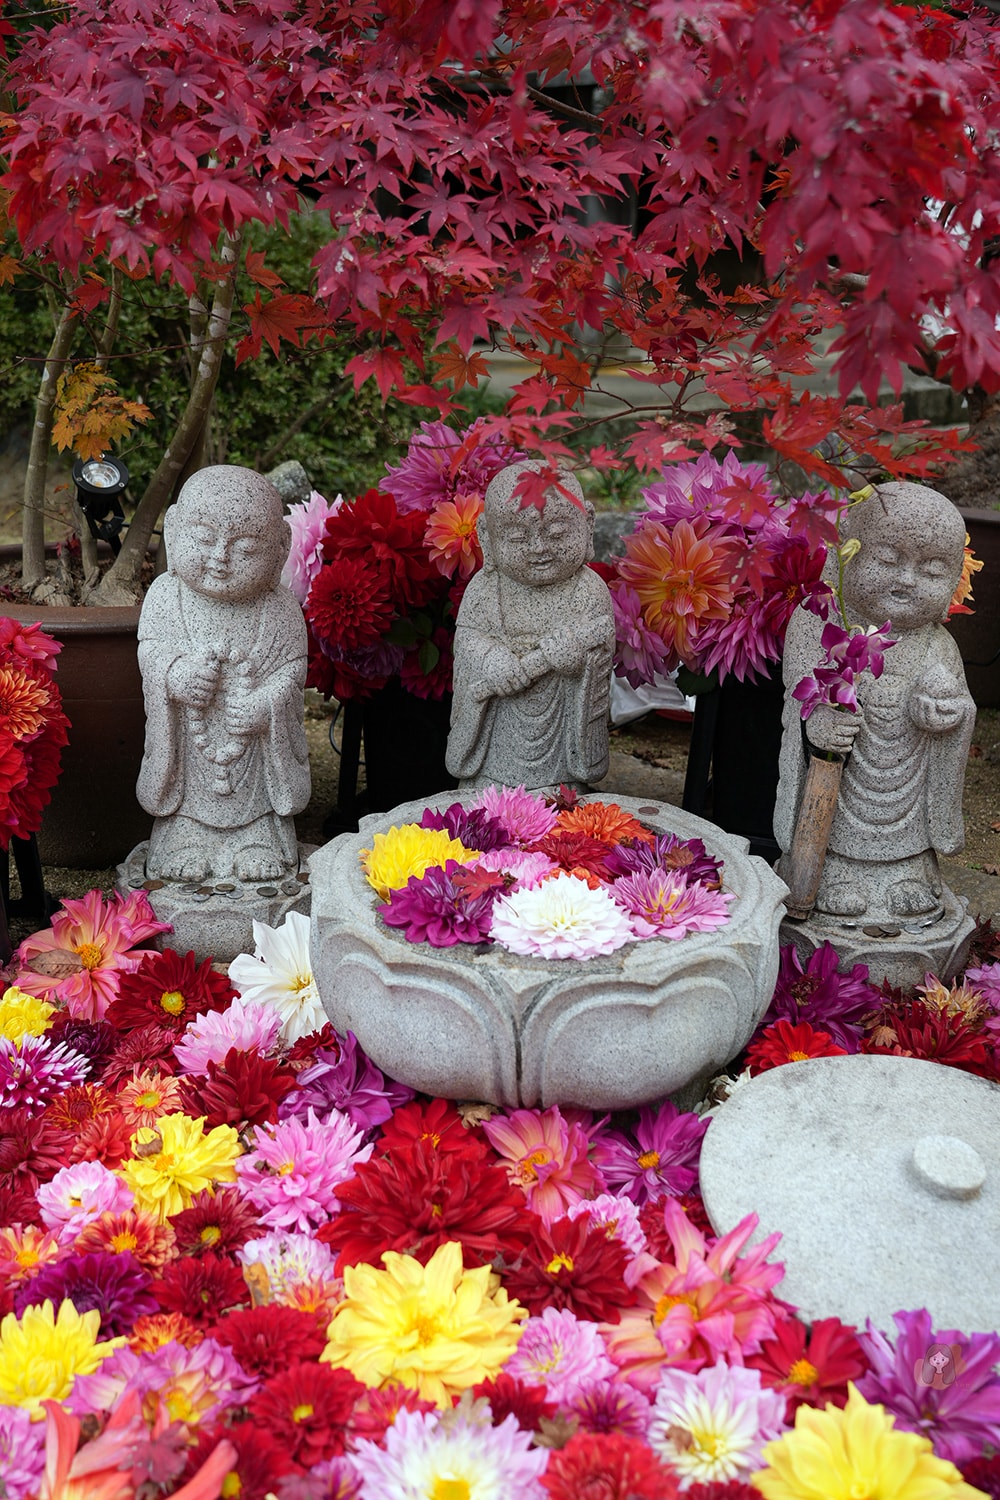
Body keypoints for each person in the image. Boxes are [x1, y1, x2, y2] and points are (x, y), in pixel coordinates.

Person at [775, 482, 976, 924]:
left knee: (907, 840)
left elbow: (958, 706)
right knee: (833, 822)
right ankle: (832, 872)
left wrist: (946, 714)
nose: (907, 580)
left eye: (932, 570)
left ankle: (908, 872)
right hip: (838, 782)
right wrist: (818, 721)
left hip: (906, 788)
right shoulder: (817, 620)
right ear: (842, 558)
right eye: (887, 559)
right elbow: (799, 690)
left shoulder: (936, 645)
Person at [137, 465, 310, 883]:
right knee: (187, 804)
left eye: (246, 548)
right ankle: (186, 837)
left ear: (279, 550)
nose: (220, 558)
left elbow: (292, 671)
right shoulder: (165, 596)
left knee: (257, 806)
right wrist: (174, 674)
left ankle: (257, 839)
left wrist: (266, 706)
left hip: (254, 752)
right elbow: (151, 652)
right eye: (203, 538)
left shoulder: (280, 609)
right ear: (174, 531)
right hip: (189, 751)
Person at [446, 461, 615, 790]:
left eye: (557, 533)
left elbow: (600, 650)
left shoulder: (588, 590)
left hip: (562, 756)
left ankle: (563, 791)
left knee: (565, 802)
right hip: (494, 752)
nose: (539, 547)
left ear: (588, 525)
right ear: (488, 538)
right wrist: (491, 659)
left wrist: (577, 663)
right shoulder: (485, 589)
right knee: (485, 801)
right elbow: (467, 641)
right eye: (517, 537)